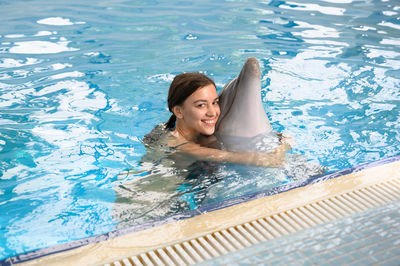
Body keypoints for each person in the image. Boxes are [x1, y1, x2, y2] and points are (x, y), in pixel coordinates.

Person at [144, 72, 291, 167]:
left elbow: (284, 137)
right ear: (179, 111)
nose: (212, 112)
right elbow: (221, 156)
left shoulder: (201, 135)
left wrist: (280, 146)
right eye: (201, 105)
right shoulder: (175, 142)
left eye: (215, 102)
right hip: (156, 197)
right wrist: (260, 159)